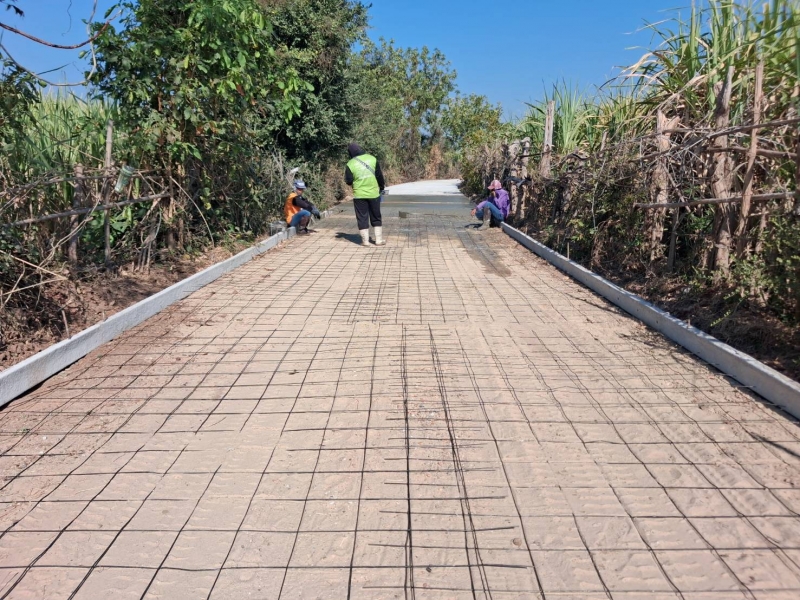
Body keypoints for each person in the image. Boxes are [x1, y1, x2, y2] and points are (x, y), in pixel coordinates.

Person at [345, 143, 386, 246]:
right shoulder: (372, 159)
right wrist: (381, 187)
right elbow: (379, 175)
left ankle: (365, 241)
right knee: (376, 215)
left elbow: (349, 181)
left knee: (362, 217)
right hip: (374, 193)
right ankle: (378, 240)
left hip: (359, 195)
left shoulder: (350, 163)